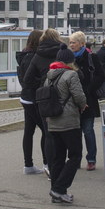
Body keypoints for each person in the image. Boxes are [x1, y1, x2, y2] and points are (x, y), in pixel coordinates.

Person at [43, 43, 87, 203]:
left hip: (53, 120)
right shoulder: (71, 75)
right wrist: (83, 105)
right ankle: (59, 189)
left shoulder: (49, 76)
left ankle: (57, 192)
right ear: (70, 61)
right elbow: (79, 96)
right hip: (68, 121)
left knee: (58, 158)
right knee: (75, 156)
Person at [23, 28, 64, 176]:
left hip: (38, 98)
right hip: (57, 97)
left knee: (40, 132)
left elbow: (27, 79)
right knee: (57, 132)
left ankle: (42, 166)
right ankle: (55, 164)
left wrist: (41, 84)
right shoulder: (61, 53)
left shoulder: (36, 55)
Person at [68, 31, 105, 171]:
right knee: (75, 132)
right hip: (73, 100)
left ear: (82, 43)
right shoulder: (69, 59)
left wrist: (89, 89)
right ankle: (75, 159)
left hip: (89, 99)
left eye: (74, 42)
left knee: (88, 130)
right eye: (70, 42)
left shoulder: (91, 57)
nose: (71, 45)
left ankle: (91, 159)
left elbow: (101, 75)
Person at [16, 29, 46, 175]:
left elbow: (23, 78)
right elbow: (31, 79)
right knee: (46, 131)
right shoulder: (33, 58)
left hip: (26, 97)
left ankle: (28, 164)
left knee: (29, 131)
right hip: (33, 98)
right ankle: (47, 163)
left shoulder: (24, 56)